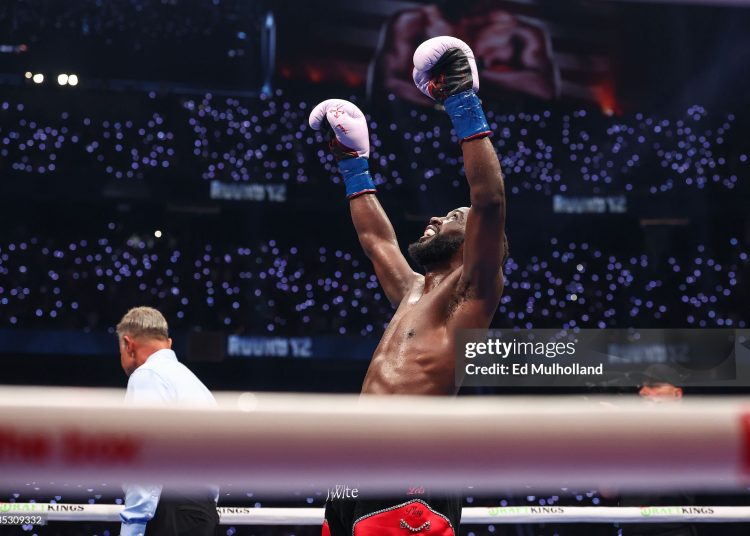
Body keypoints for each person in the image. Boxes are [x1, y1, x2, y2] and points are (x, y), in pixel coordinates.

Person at [310, 36, 507, 536]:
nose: (438, 217)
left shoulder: (470, 296)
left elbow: (488, 200)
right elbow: (376, 240)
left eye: (451, 217)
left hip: (413, 461)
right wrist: (353, 163)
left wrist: (461, 100)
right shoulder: (414, 291)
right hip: (355, 465)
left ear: (478, 244)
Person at [117, 306, 219, 536]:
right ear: (168, 343)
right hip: (202, 512)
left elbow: (145, 458)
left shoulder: (147, 375)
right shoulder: (195, 384)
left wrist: (132, 527)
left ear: (128, 344)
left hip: (169, 511)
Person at [369, 0, 558, 107]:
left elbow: (544, 89)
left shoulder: (519, 33)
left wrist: (470, 73)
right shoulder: (413, 23)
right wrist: (443, 107)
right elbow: (386, 83)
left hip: (499, 133)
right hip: (421, 130)